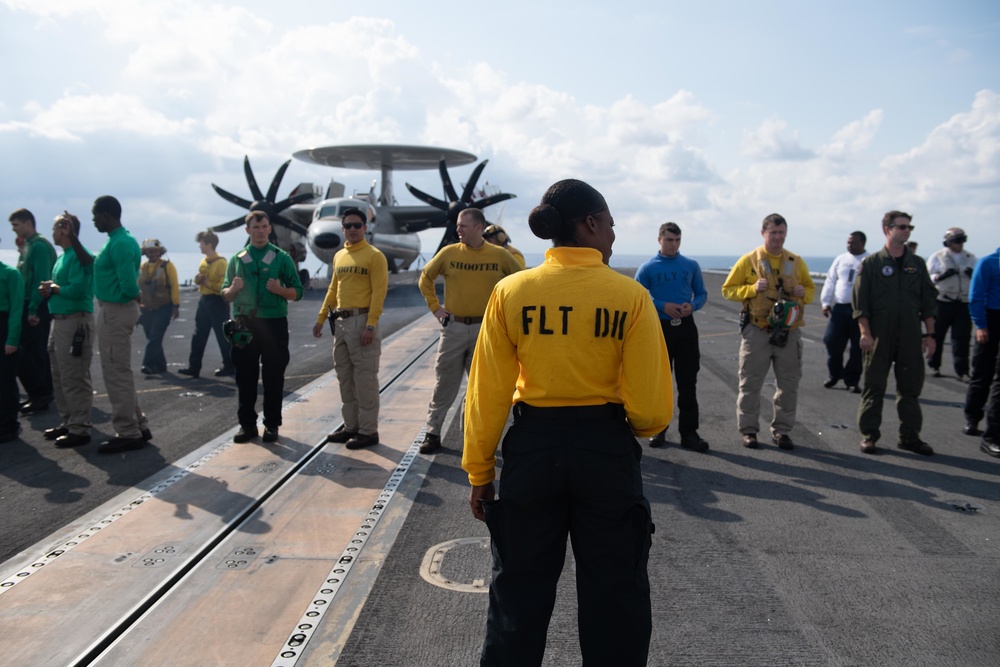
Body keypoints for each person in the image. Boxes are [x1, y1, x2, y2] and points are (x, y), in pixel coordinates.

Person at [463, 179, 672, 666]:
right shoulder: (631, 296)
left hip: (533, 447)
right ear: (593, 224)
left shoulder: (512, 292)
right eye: (612, 226)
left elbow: (487, 393)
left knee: (518, 591)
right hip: (605, 448)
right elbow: (651, 413)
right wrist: (629, 425)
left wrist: (479, 471)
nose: (614, 237)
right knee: (615, 595)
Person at [416, 208, 522, 454]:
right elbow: (425, 278)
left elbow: (521, 281)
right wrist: (435, 307)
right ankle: (432, 433)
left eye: (463, 226)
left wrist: (507, 315)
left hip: (485, 329)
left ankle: (469, 438)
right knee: (444, 383)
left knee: (477, 387)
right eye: (458, 225)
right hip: (453, 327)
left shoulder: (499, 255)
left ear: (478, 227)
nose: (458, 230)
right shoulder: (449, 253)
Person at [722, 213, 814, 450]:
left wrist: (805, 293)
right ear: (763, 233)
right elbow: (728, 290)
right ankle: (749, 430)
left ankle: (782, 431)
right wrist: (751, 289)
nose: (778, 237)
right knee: (750, 383)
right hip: (758, 330)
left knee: (788, 384)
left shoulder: (796, 261)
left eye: (781, 232)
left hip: (788, 332)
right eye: (773, 232)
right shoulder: (749, 261)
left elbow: (811, 289)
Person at [853, 211, 938, 455]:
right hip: (879, 335)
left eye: (909, 227)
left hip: (910, 336)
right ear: (887, 230)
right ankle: (869, 435)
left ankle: (910, 436)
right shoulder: (871, 264)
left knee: (910, 389)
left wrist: (930, 335)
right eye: (901, 227)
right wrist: (865, 333)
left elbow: (928, 303)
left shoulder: (917, 264)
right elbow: (861, 304)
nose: (906, 231)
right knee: (874, 386)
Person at [222, 211, 303, 443]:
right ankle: (247, 426)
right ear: (247, 230)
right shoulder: (237, 259)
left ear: (269, 229)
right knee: (244, 377)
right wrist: (233, 290)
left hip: (273, 323)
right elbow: (225, 294)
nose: (260, 231)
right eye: (255, 227)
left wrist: (280, 290)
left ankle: (271, 424)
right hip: (244, 325)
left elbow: (298, 291)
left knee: (273, 376)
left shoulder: (281, 258)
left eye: (264, 227)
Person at [313, 208, 388, 450]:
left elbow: (379, 293)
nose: (353, 229)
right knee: (345, 378)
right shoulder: (339, 256)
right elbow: (333, 290)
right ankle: (351, 426)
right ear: (343, 229)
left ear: (366, 228)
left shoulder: (374, 256)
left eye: (358, 225)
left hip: (362, 321)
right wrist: (321, 317)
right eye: (348, 226)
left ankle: (368, 431)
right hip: (342, 324)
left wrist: (370, 324)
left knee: (365, 380)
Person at [634, 221, 709, 451]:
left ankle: (689, 433)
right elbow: (638, 295)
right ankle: (658, 430)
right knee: (660, 383)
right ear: (659, 240)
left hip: (686, 327)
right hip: (660, 329)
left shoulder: (690, 265)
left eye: (677, 240)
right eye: (669, 240)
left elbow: (702, 294)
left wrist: (692, 306)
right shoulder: (648, 268)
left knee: (688, 383)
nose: (673, 244)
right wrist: (662, 305)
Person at [91, 195, 152, 453]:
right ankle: (138, 424)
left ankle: (127, 432)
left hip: (115, 310)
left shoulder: (120, 243)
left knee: (116, 372)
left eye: (95, 215)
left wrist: (132, 293)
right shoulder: (119, 241)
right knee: (119, 371)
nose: (93, 220)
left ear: (106, 214)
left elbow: (128, 285)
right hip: (114, 309)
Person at [38, 213, 95, 448]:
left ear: (64, 230)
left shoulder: (78, 256)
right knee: (59, 375)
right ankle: (69, 421)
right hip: (59, 320)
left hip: (74, 321)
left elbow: (79, 289)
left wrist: (54, 289)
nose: (52, 232)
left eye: (54, 228)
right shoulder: (63, 257)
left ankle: (80, 428)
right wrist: (50, 290)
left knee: (74, 375)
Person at [8, 208, 56, 414]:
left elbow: (42, 279)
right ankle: (40, 393)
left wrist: (34, 308)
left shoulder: (39, 246)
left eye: (16, 225)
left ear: (28, 223)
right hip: (28, 301)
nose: (14, 230)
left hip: (36, 303)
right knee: (32, 349)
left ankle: (42, 394)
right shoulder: (28, 246)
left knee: (33, 351)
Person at [179, 230, 233, 378]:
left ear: (209, 244)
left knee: (223, 336)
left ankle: (229, 366)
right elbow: (201, 282)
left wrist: (207, 283)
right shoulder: (204, 262)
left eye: (202, 244)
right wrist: (198, 280)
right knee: (198, 335)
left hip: (217, 301)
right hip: (204, 301)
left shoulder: (221, 263)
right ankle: (194, 367)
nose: (200, 247)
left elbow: (223, 286)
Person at [963, 246, 1000, 457]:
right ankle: (972, 418)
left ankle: (993, 433)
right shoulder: (989, 262)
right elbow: (976, 295)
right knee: (982, 373)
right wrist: (981, 324)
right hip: (990, 319)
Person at [821, 231, 869, 393]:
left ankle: (852, 380)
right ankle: (834, 374)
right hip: (840, 308)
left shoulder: (869, 260)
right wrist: (825, 302)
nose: (850, 245)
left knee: (858, 347)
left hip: (859, 310)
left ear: (862, 243)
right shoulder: (841, 259)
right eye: (848, 242)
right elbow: (830, 280)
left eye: (853, 243)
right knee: (832, 341)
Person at [926, 227, 976, 380]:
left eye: (962, 240)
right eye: (957, 240)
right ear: (948, 242)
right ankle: (934, 365)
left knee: (962, 338)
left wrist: (972, 275)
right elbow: (928, 276)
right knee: (937, 334)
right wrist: (940, 277)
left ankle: (962, 370)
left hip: (963, 301)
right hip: (943, 300)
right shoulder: (938, 256)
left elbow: (978, 276)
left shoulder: (970, 257)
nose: (960, 243)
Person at [137, 239, 179, 375]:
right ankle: (161, 366)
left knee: (155, 336)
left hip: (164, 306)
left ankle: (147, 364)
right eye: (149, 251)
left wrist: (175, 306)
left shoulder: (167, 266)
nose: (153, 253)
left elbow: (174, 286)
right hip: (146, 308)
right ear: (146, 253)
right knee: (152, 336)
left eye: (155, 251)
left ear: (160, 252)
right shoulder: (141, 268)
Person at [0, 235, 24, 442]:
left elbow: (17, 309)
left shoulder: (10, 274)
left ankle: (9, 425)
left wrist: (12, 339)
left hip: (4, 326)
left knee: (5, 381)